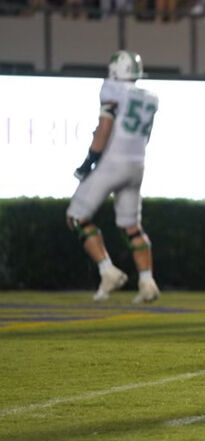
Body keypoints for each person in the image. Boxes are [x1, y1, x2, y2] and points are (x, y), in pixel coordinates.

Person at [66, 50, 160, 304]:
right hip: (137, 165)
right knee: (132, 227)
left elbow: (104, 129)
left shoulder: (112, 90)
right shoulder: (150, 97)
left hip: (113, 162)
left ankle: (107, 270)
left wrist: (89, 162)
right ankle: (147, 280)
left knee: (76, 217)